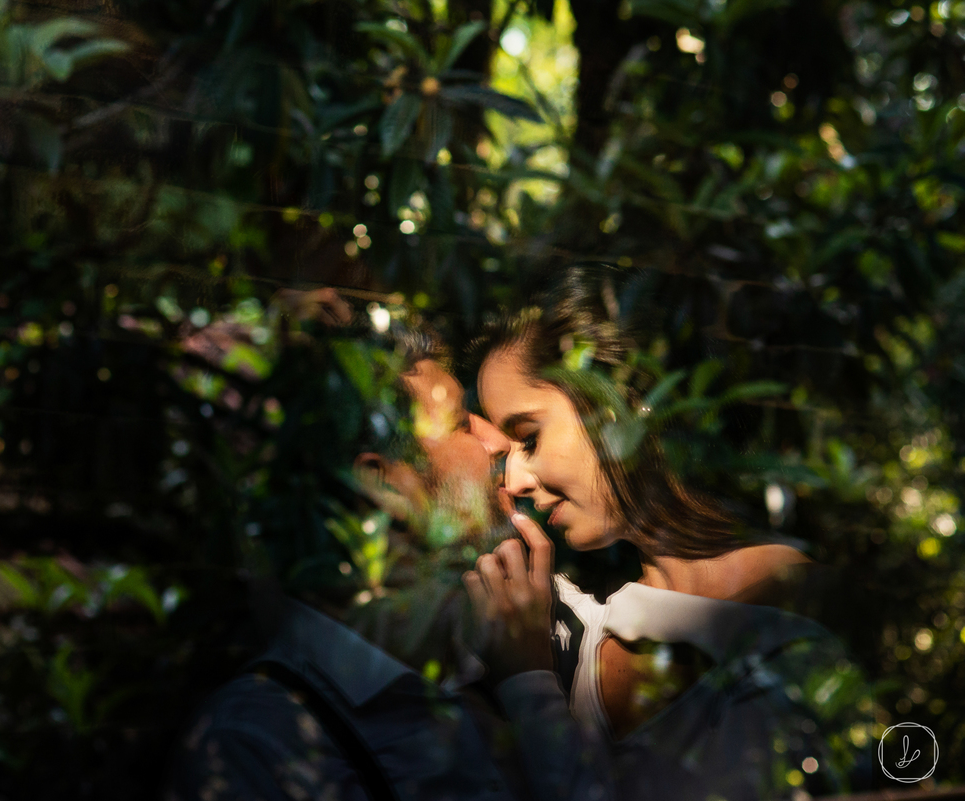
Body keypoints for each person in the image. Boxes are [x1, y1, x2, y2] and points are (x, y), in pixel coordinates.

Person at [463, 268, 872, 801]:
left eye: (530, 438)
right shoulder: (577, 646)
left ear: (624, 401)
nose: (515, 481)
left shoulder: (809, 600)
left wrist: (528, 687)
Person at [169, 312, 612, 801]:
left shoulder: (490, 656)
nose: (497, 443)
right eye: (463, 424)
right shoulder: (258, 742)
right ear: (383, 486)